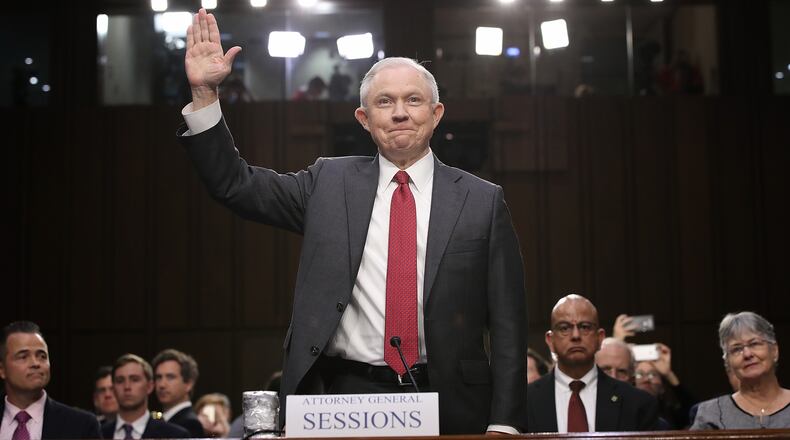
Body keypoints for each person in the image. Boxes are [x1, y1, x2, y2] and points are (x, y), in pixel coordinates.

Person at [177, 8, 527, 434]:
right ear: (365, 119)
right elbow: (235, 184)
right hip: (341, 397)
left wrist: (506, 423)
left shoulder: (482, 200)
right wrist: (204, 95)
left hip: (449, 398)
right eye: (385, 102)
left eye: (413, 100)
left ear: (436, 114)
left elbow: (508, 324)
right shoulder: (328, 182)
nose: (400, 113)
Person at [526, 295, 658, 433]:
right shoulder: (525, 402)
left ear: (600, 338)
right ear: (550, 340)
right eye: (564, 328)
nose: (575, 335)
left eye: (585, 327)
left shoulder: (638, 403)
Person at [0, 321, 101, 440]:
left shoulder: (82, 425)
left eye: (42, 356)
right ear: (2, 369)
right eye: (23, 356)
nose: (35, 363)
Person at [691, 312, 790, 429]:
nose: (747, 354)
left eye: (754, 344)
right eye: (737, 349)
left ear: (774, 350)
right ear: (728, 361)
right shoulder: (711, 413)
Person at [102, 354, 190, 439]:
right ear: (113, 388)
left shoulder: (175, 435)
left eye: (135, 380)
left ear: (150, 386)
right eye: (120, 381)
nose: (127, 386)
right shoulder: (99, 433)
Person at [634, 343, 697, 429]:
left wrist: (668, 374)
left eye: (652, 374)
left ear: (662, 388)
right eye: (640, 374)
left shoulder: (671, 415)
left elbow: (694, 411)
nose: (646, 380)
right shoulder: (625, 411)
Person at [151, 349, 204, 437]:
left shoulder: (190, 424)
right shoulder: (161, 419)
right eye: (158, 377)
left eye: (170, 377)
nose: (161, 384)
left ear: (188, 384)